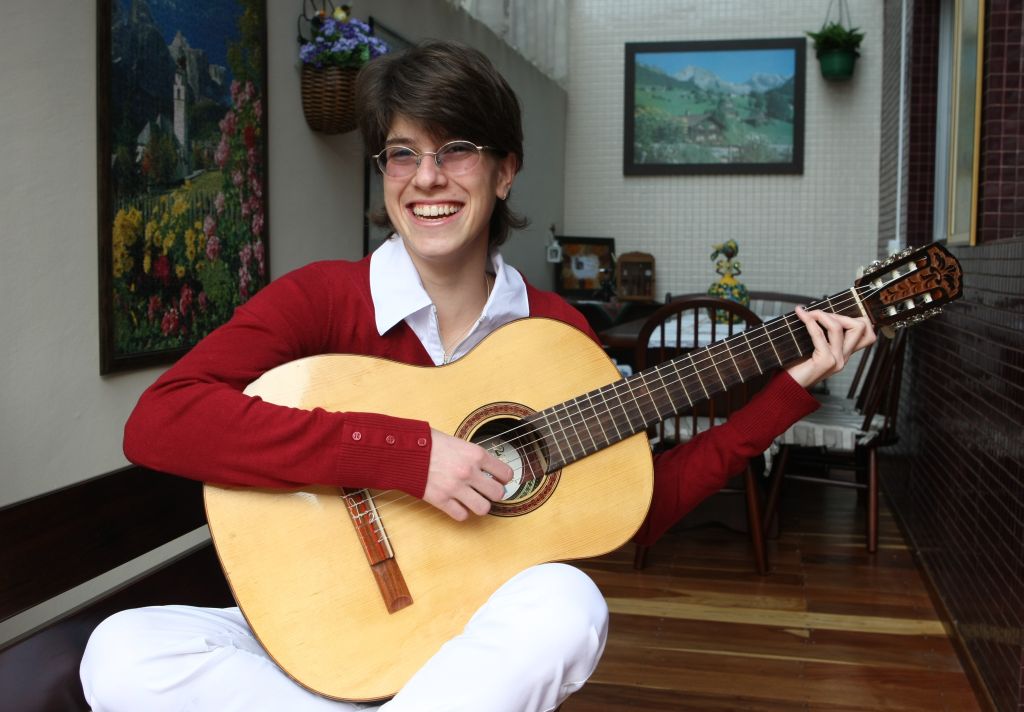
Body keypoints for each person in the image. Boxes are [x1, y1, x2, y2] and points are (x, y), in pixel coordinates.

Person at [80, 40, 875, 712]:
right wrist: (404, 456)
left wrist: (785, 390)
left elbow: (641, 506)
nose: (427, 177)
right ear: (385, 173)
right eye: (403, 153)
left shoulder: (559, 337)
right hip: (320, 616)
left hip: (472, 644)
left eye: (456, 149)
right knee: (119, 652)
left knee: (571, 607)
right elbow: (160, 421)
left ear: (504, 173)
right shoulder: (324, 298)